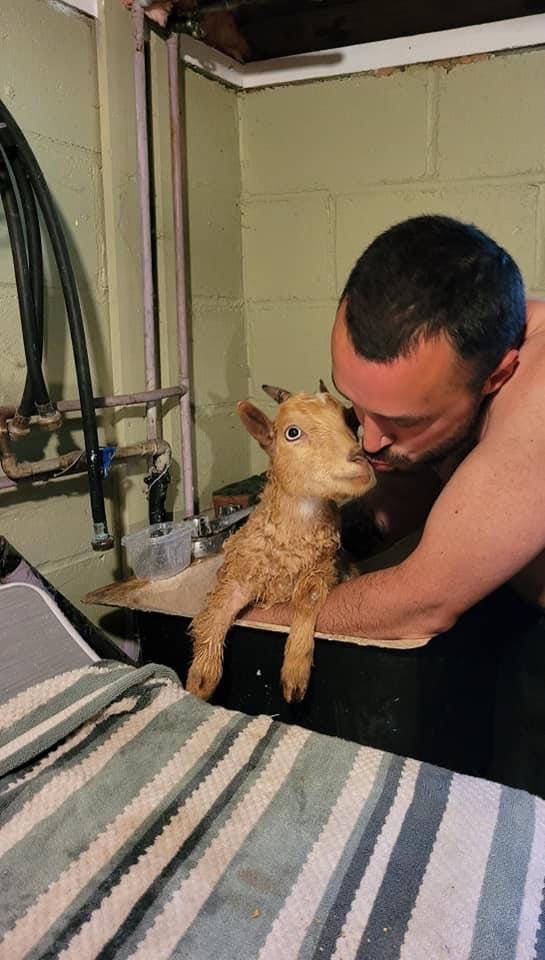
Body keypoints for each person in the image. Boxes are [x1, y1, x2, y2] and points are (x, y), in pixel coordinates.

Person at [243, 214, 545, 641]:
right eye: (356, 403)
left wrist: (241, 617)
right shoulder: (480, 341)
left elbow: (421, 602)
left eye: (403, 422)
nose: (368, 441)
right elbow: (402, 501)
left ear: (496, 377)